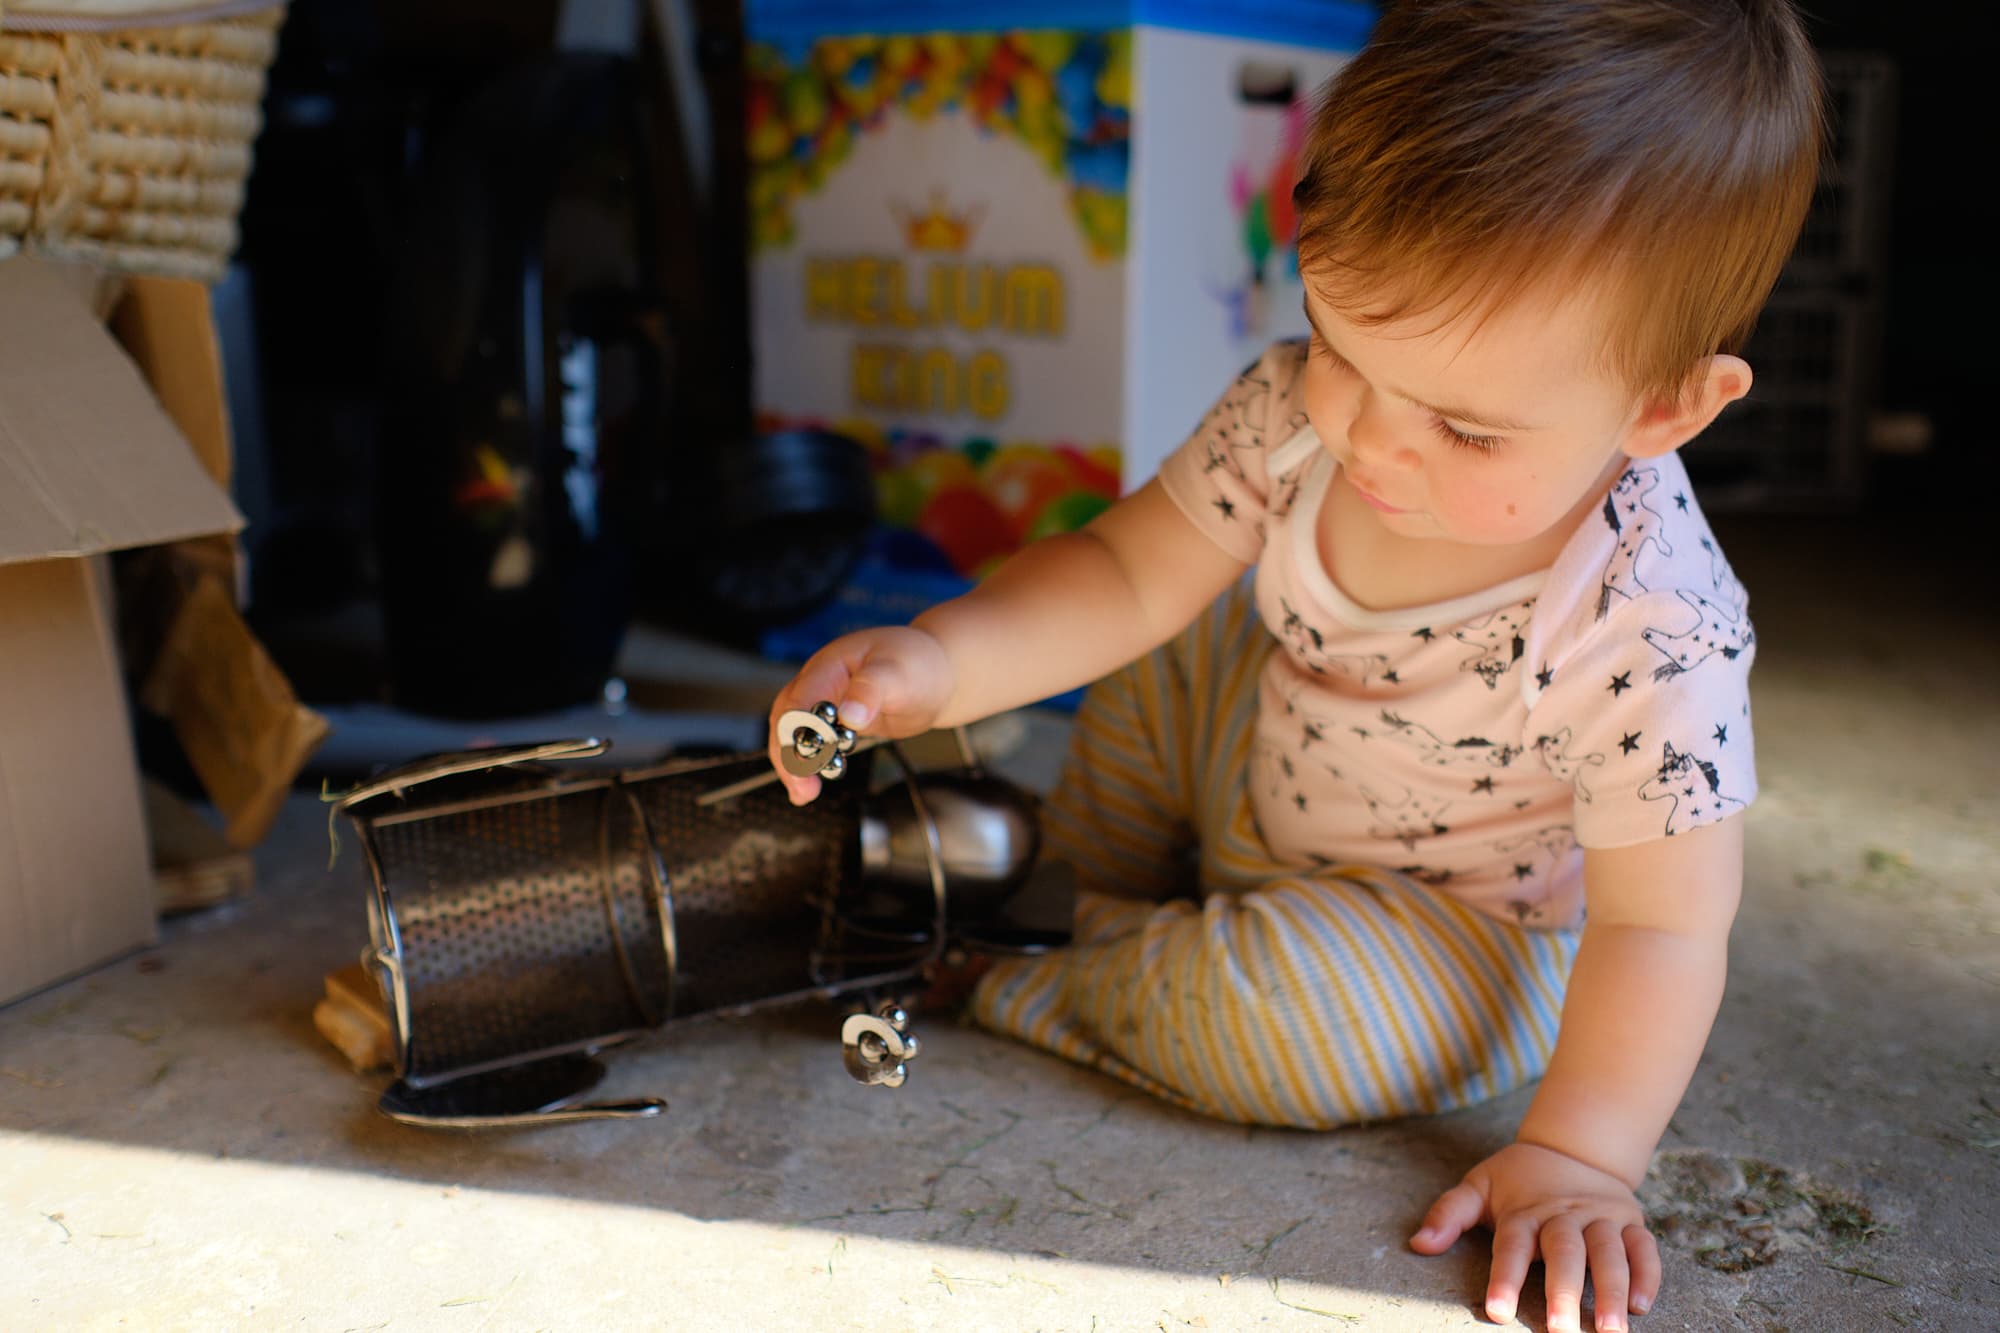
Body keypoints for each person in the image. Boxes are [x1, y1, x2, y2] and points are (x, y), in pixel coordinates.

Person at [767, 3, 1823, 1328]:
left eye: (1466, 427)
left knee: (1270, 1027)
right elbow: (1125, 572)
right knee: (1176, 615)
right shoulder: (1294, 419)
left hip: (1449, 926)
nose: (1369, 442)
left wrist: (1579, 1155)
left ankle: (1037, 969)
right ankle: (1093, 888)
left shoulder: (1649, 623)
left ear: (1662, 406)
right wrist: (935, 660)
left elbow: (1663, 925)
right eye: (1338, 344)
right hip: (1264, 757)